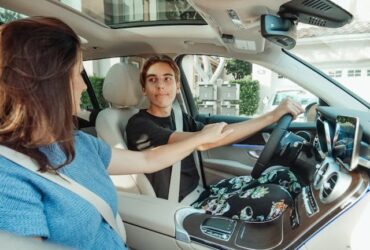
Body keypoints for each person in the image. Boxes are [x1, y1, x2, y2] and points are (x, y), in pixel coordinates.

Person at [0, 17, 233, 249]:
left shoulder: (80, 143)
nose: (83, 85)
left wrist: (201, 137)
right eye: (78, 74)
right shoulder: (9, 175)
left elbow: (148, 159)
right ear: (51, 83)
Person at [126, 55, 304, 221]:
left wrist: (269, 121)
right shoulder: (139, 125)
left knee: (284, 176)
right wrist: (271, 116)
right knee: (276, 199)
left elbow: (219, 134)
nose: (160, 86)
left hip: (203, 193)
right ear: (144, 89)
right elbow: (204, 141)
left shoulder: (179, 117)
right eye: (152, 80)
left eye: (167, 78)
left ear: (178, 85)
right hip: (182, 206)